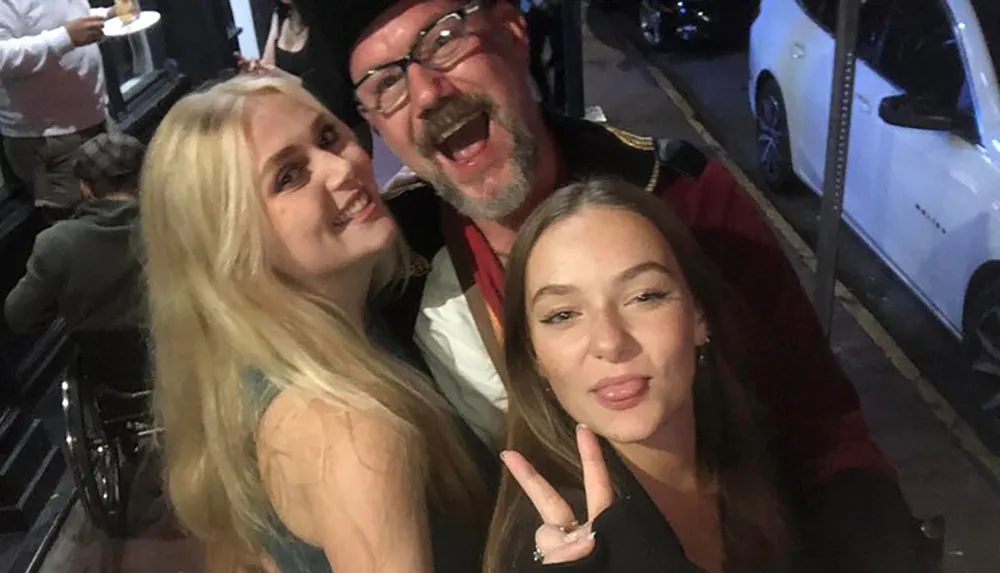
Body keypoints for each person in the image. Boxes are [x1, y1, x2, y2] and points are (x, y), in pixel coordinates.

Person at [298, 0, 916, 552]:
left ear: (513, 31)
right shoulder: (397, 273)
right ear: (375, 126)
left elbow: (820, 423)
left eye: (443, 39)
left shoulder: (686, 203)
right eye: (386, 85)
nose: (428, 92)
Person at [140, 75, 494, 573]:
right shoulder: (348, 430)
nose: (340, 167)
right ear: (234, 244)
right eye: (288, 176)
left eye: (328, 137)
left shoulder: (264, 360)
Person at [487, 178, 931, 573]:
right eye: (563, 314)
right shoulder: (555, 546)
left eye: (644, 296)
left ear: (699, 317)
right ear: (535, 356)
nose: (609, 342)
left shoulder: (769, 461)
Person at [4, 132, 145, 334]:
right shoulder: (173, 219)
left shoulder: (58, 243)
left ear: (84, 188)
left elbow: (19, 316)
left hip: (106, 361)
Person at [0, 0, 111, 220]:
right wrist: (65, 38)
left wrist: (108, 16)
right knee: (79, 229)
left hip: (96, 117)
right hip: (49, 137)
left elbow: (69, 21)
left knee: (119, 214)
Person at [234, 0, 374, 154]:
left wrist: (279, 76)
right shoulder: (280, 15)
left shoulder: (328, 19)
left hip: (338, 129)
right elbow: (268, 65)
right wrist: (256, 69)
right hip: (300, 127)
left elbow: (330, 91)